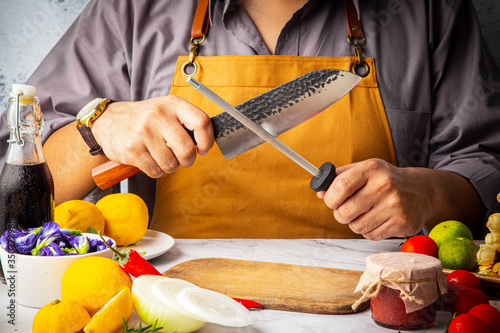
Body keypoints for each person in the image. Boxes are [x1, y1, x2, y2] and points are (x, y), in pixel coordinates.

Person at [1, 0, 499, 240]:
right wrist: (99, 129)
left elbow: (487, 162)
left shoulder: (427, 9)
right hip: (177, 309)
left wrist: (429, 195)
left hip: (375, 310)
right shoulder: (133, 10)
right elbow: (12, 184)